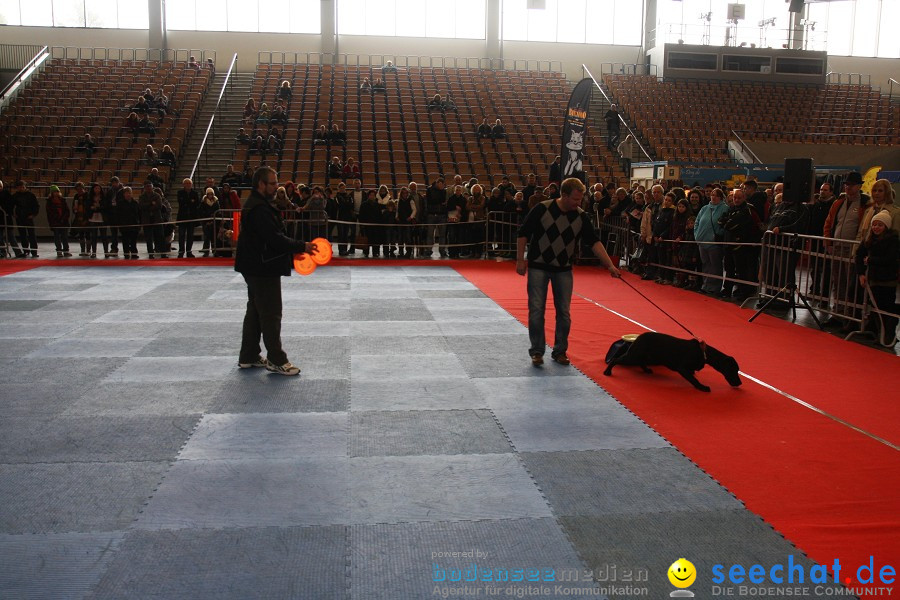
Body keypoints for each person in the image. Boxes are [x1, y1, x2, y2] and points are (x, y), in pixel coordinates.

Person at [517, 178, 621, 366]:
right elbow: (523, 233)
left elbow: (594, 242)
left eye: (580, 199)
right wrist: (520, 261)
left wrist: (610, 266)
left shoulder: (581, 216)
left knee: (564, 312)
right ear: (563, 195)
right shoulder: (542, 209)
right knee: (536, 310)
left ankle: (560, 351)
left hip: (563, 269)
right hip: (538, 266)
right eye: (575, 199)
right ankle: (537, 351)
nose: (578, 203)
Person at [235, 167, 314, 376]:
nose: (276, 186)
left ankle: (249, 355)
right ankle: (276, 359)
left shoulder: (258, 205)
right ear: (260, 184)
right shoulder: (260, 209)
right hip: (262, 267)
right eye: (272, 183)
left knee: (255, 311)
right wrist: (302, 246)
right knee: (270, 313)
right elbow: (275, 240)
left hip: (254, 265)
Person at [855, 210, 899, 346]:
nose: (876, 228)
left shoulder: (893, 240)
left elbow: (889, 259)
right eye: (874, 225)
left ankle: (887, 335)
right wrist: (861, 273)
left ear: (886, 226)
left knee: (886, 308)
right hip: (872, 279)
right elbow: (859, 255)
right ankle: (879, 334)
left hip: (888, 280)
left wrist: (870, 260)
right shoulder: (868, 239)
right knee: (875, 308)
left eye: (880, 225)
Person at [694, 187, 729, 294]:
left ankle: (714, 287)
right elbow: (697, 222)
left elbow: (724, 225)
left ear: (720, 197)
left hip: (714, 243)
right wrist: (697, 236)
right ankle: (705, 285)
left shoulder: (725, 208)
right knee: (705, 264)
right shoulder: (704, 208)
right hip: (702, 241)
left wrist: (718, 234)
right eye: (712, 195)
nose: (713, 197)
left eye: (716, 195)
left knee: (715, 265)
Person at [13, 180, 39, 257]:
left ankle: (34, 252)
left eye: (22, 187)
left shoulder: (31, 195)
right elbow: (11, 206)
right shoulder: (15, 196)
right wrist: (14, 214)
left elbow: (36, 206)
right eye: (19, 187)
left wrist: (33, 215)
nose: (21, 188)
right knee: (22, 235)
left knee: (32, 235)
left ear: (25, 187)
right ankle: (26, 251)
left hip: (29, 217)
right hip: (20, 217)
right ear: (17, 188)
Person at [177, 178, 200, 258]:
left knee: (190, 235)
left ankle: (189, 251)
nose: (188, 185)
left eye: (189, 183)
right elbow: (181, 202)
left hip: (191, 217)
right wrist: (190, 201)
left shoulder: (195, 193)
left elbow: (196, 203)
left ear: (191, 184)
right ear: (183, 185)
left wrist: (188, 202)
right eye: (186, 183)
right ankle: (181, 251)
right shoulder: (180, 193)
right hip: (182, 217)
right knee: (181, 235)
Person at [116, 186, 141, 259]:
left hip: (134, 225)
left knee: (133, 241)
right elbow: (118, 215)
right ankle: (126, 253)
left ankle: (134, 253)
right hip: (124, 225)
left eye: (129, 193)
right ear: (124, 194)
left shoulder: (135, 203)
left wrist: (139, 224)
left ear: (131, 193)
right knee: (125, 241)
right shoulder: (120, 203)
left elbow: (139, 214)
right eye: (126, 193)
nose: (128, 194)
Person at [46, 185, 71, 257]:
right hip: (55, 222)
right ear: (52, 193)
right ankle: (59, 251)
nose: (56, 193)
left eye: (57, 192)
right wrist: (56, 219)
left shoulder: (63, 200)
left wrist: (63, 218)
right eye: (54, 192)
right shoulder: (49, 202)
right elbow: (49, 213)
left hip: (64, 222)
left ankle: (66, 251)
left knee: (65, 237)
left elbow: (67, 211)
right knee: (57, 237)